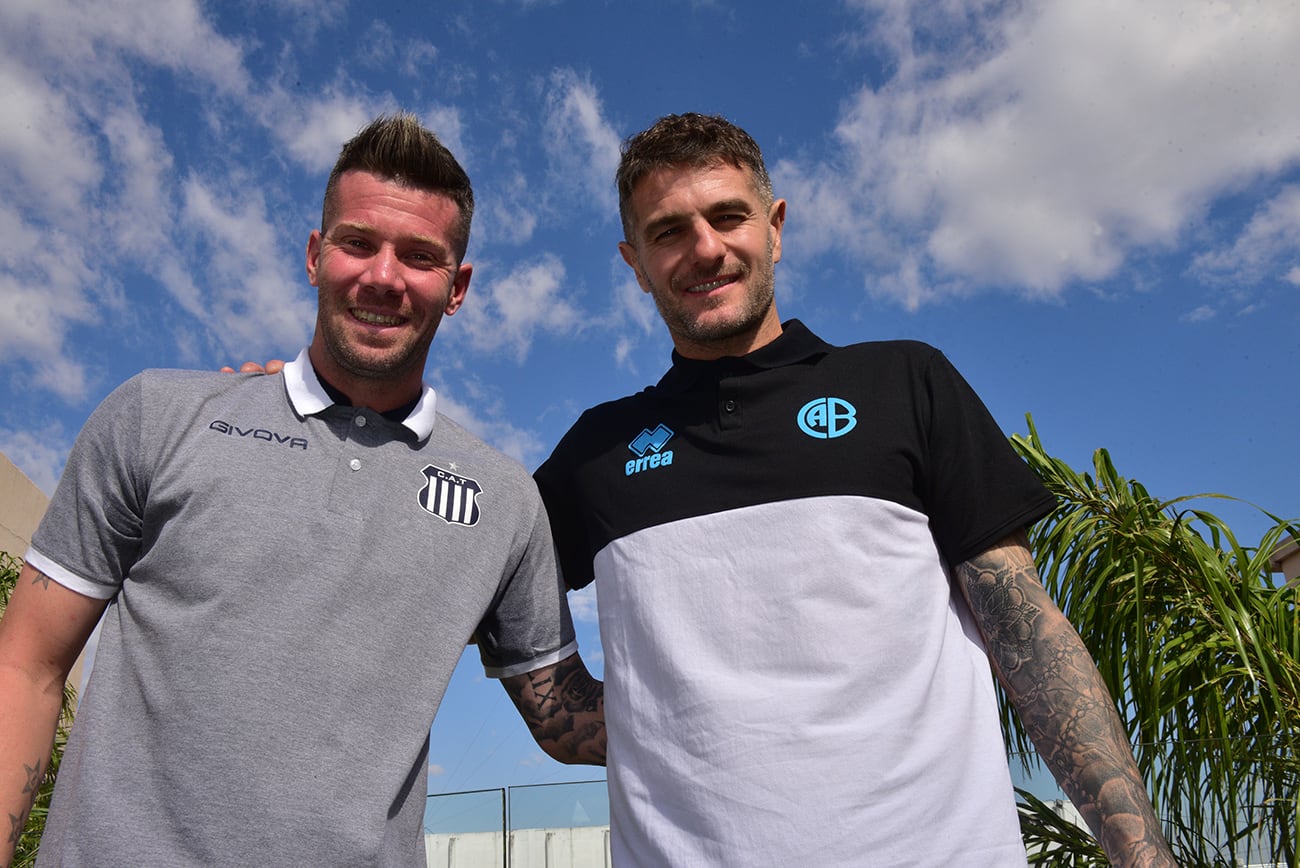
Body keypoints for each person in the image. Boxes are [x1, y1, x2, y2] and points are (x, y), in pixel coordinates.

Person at [532, 113, 1175, 866]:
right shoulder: (597, 452)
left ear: (774, 227)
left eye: (728, 216)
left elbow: (1028, 636)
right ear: (635, 262)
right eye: (667, 231)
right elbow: (492, 596)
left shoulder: (905, 384)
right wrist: (649, 730)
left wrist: (1144, 857)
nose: (704, 248)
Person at [0, 113, 604, 868]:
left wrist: (761, 713)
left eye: (420, 256)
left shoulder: (505, 500)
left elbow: (565, 717)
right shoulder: (159, 416)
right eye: (358, 243)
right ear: (316, 256)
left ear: (458, 288)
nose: (383, 276)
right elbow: (25, 665)